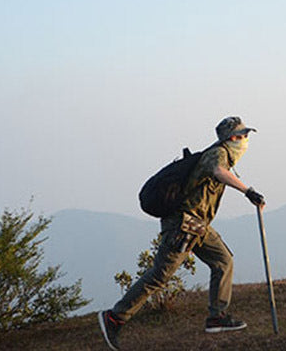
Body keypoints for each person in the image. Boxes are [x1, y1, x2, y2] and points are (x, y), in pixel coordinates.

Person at [97, 116, 265, 349]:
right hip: (183, 225)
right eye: (242, 135)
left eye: (246, 135)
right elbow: (218, 171)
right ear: (231, 138)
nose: (245, 140)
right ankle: (114, 317)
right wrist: (248, 191)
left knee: (223, 261)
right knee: (160, 275)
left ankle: (217, 317)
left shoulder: (222, 155)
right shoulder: (219, 154)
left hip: (198, 225)